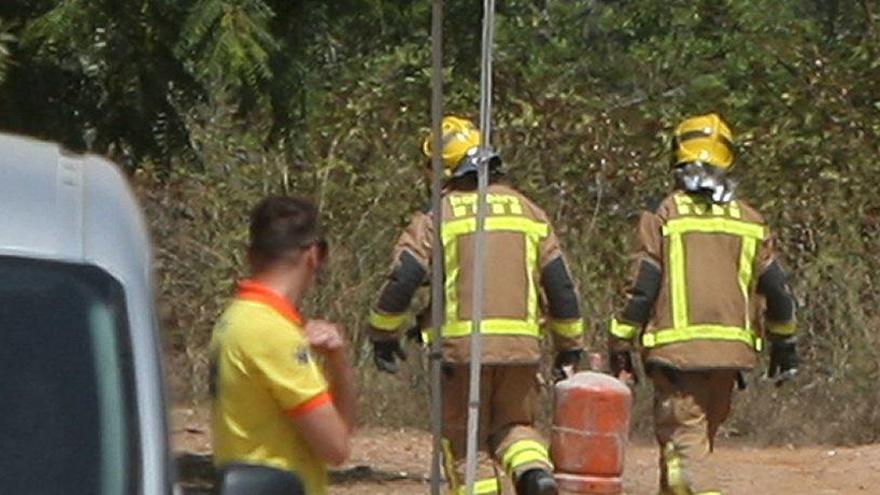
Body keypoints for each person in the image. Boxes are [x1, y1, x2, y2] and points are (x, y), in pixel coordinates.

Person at [368, 115, 584, 495]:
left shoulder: (437, 217)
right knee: (517, 428)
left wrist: (382, 333)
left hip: (461, 354)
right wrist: (570, 347)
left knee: (466, 446)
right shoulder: (530, 212)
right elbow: (561, 287)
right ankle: (535, 475)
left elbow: (403, 277)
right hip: (521, 351)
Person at [608, 113, 799, 495]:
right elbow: (778, 289)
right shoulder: (749, 220)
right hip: (730, 356)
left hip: (677, 356)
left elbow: (642, 287)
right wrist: (785, 344)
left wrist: (619, 342)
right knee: (693, 446)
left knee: (685, 449)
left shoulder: (664, 213)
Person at [210, 196, 356, 495]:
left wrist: (335, 361)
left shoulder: (236, 318)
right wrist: (340, 363)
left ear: (251, 255)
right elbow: (336, 447)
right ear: (313, 255)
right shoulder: (271, 333)